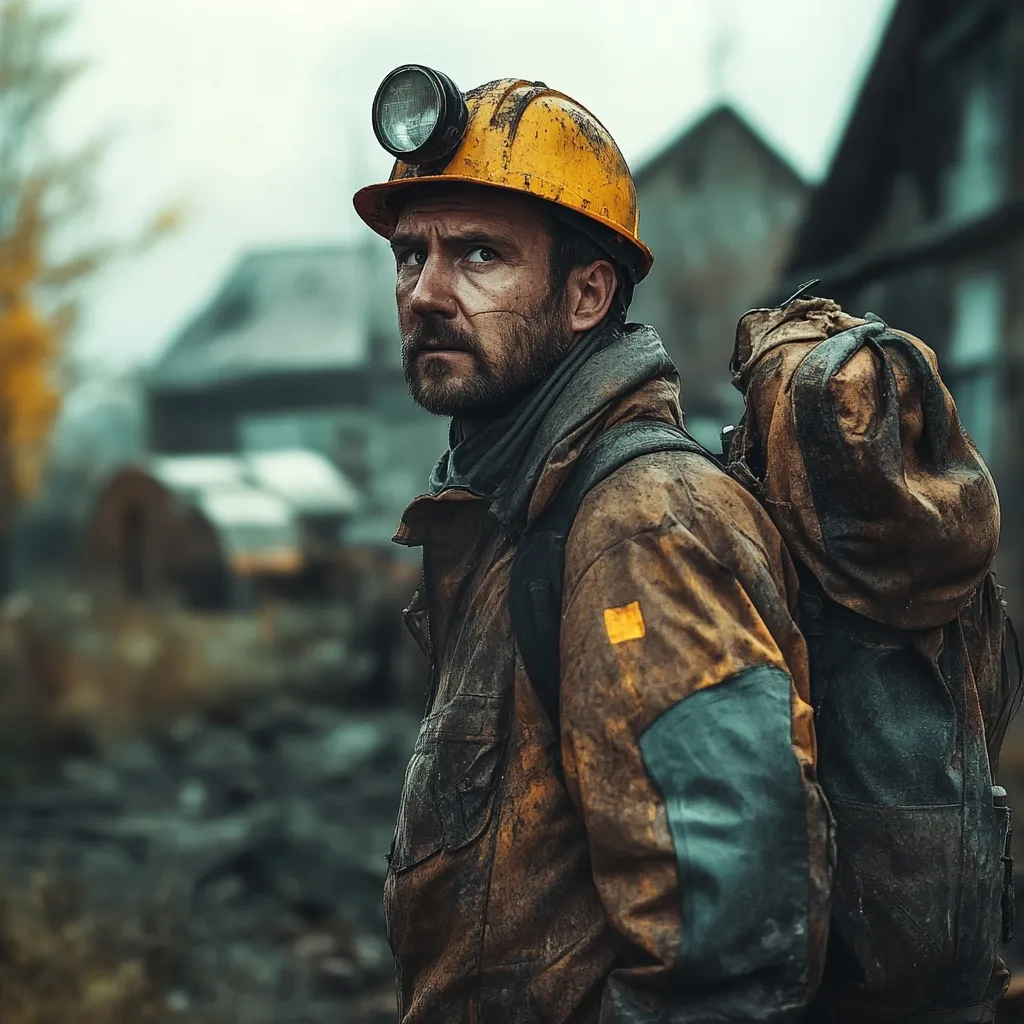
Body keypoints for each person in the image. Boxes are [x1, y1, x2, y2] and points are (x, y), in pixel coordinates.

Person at [353, 67, 832, 1023]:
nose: (426, 295)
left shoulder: (642, 524)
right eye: (412, 256)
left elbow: (725, 956)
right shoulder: (513, 508)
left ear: (586, 296)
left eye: (480, 255)